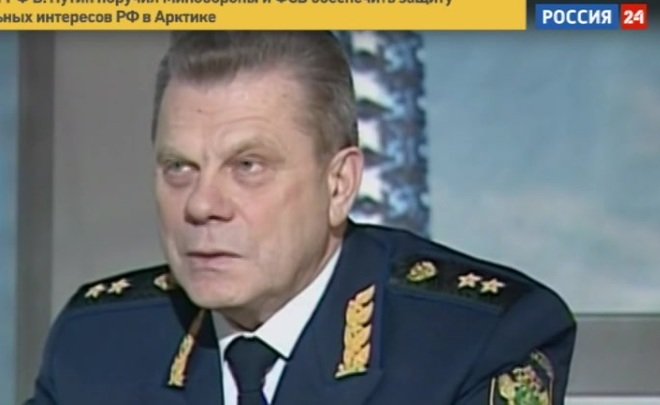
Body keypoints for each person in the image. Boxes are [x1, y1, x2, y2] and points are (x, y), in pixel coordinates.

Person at [28, 31, 576, 405]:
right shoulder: (96, 342)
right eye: (179, 167)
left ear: (339, 184)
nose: (201, 204)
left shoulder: (477, 341)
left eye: (247, 166)